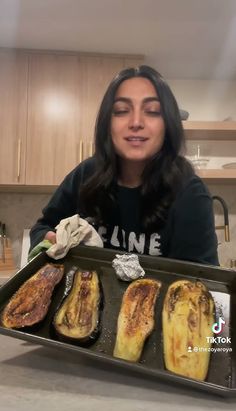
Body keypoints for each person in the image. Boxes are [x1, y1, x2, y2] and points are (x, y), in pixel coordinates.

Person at [30, 65, 219, 265]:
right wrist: (50, 240)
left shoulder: (190, 194)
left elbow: (201, 282)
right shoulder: (86, 175)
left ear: (168, 124)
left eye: (152, 111)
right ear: (107, 124)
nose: (136, 122)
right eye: (121, 111)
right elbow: (42, 228)